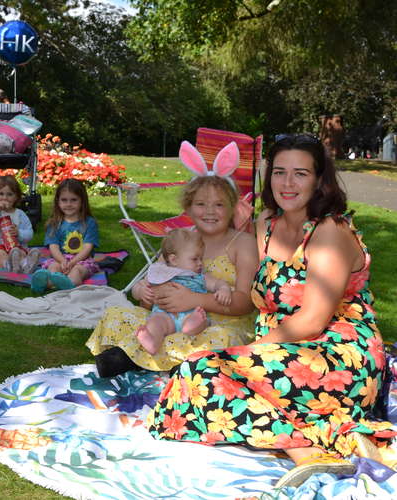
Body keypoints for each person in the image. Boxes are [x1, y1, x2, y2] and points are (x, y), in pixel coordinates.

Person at [146, 134, 396, 489]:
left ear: (319, 179)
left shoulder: (329, 232)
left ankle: (310, 449)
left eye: (300, 174)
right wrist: (169, 286)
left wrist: (246, 354)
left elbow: (312, 320)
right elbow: (239, 284)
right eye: (279, 172)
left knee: (200, 373)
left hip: (337, 355)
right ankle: (312, 445)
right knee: (195, 377)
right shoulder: (266, 226)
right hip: (281, 348)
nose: (287, 183)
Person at [86, 174, 258, 376]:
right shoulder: (181, 238)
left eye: (219, 205)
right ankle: (172, 362)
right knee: (116, 314)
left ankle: (134, 359)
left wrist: (194, 299)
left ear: (232, 208)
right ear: (189, 208)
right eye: (201, 204)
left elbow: (246, 303)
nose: (210, 211)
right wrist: (143, 292)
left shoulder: (243, 243)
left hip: (218, 323)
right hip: (168, 319)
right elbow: (153, 283)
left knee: (221, 339)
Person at [135, 228, 232, 355]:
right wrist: (141, 291)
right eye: (195, 259)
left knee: (201, 319)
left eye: (201, 258)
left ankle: (191, 326)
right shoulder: (160, 272)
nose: (200, 263)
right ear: (174, 260)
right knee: (155, 322)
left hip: (190, 313)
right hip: (164, 314)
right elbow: (138, 287)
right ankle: (152, 342)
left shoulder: (199, 277)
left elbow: (218, 283)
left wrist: (224, 289)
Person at [30, 178, 99, 293]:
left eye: (73, 200)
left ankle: (68, 284)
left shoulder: (89, 222)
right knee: (53, 268)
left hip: (82, 260)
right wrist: (62, 261)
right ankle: (45, 283)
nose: (68, 204)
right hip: (60, 259)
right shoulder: (55, 222)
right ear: (58, 201)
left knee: (77, 271)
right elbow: (53, 247)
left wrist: (73, 262)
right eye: (64, 200)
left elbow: (87, 247)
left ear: (82, 201)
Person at [0, 175, 40, 274]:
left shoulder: (20, 214)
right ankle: (8, 265)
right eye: (1, 194)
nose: (5, 197)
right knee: (0, 255)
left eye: (9, 194)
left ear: (16, 196)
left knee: (20, 253)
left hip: (17, 246)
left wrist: (19, 233)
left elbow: (29, 233)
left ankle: (26, 265)